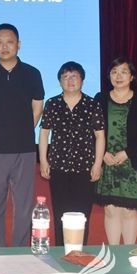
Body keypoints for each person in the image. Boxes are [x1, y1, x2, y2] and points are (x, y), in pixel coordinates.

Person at [0, 23, 44, 247]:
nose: (4, 47)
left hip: (24, 149)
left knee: (24, 205)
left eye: (9, 42)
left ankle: (20, 249)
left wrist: (22, 130)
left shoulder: (32, 73)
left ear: (18, 44)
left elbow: (37, 108)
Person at [38, 61, 104, 247]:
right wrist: (43, 160)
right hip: (59, 167)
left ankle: (79, 251)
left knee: (82, 214)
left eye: (74, 76)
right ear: (60, 81)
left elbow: (100, 136)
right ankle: (61, 251)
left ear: (82, 80)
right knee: (61, 213)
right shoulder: (52, 104)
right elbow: (44, 133)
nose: (70, 80)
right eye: (65, 77)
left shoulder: (92, 104)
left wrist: (97, 164)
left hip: (85, 168)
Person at [95, 57, 137, 245]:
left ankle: (128, 252)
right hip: (107, 161)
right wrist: (102, 154)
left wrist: (127, 153)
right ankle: (113, 252)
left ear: (132, 76)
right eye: (114, 72)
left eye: (123, 72)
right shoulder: (100, 98)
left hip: (131, 162)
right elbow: (92, 129)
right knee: (110, 210)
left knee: (129, 211)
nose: (118, 76)